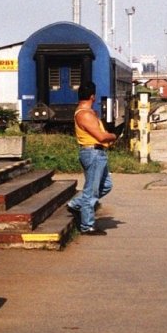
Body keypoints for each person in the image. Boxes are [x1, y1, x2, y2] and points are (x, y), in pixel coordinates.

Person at [66, 81, 117, 235]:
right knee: (92, 191)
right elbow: (101, 136)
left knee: (106, 185)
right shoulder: (85, 114)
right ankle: (87, 225)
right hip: (92, 153)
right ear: (93, 97)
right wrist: (114, 135)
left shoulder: (88, 112)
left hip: (97, 153)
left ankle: (76, 204)